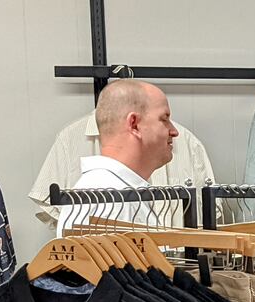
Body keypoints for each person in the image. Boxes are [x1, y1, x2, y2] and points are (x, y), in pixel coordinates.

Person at [57, 79, 179, 236]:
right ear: (134, 125)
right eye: (164, 119)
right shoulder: (110, 200)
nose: (174, 131)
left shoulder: (118, 193)